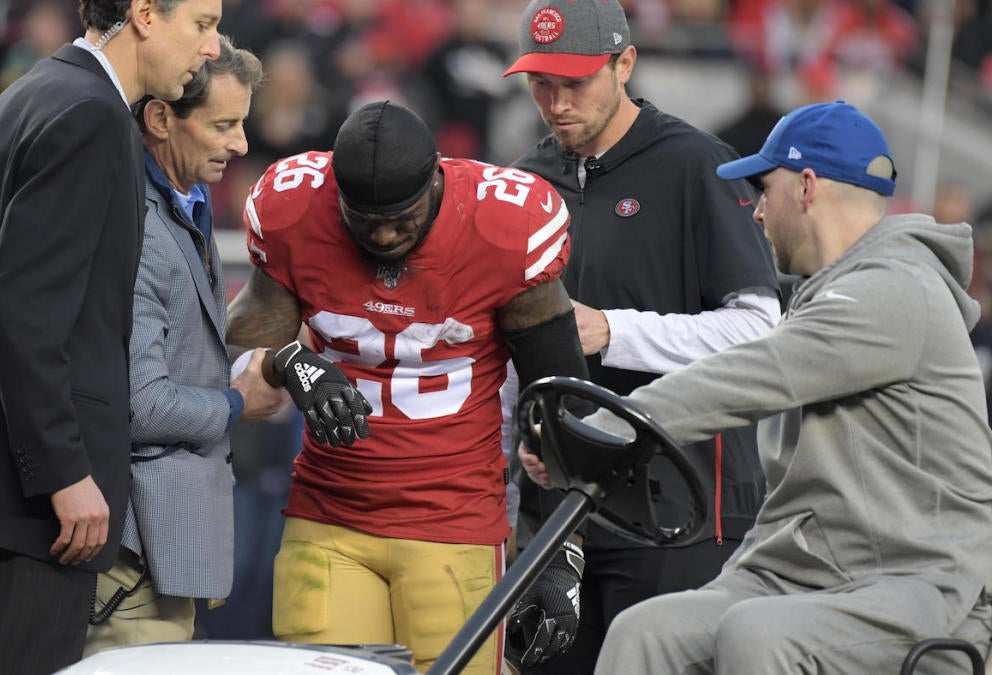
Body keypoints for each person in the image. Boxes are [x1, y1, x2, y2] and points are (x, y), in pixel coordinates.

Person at [522, 100, 992, 674]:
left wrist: (589, 435)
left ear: (808, 188)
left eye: (764, 190)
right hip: (805, 574)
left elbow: (739, 379)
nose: (756, 214)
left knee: (756, 636)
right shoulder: (826, 296)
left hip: (918, 582)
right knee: (646, 631)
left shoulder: (895, 290)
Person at [0, 1, 223, 673]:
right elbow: (20, 308)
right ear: (143, 15)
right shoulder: (92, 114)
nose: (213, 47)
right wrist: (63, 471)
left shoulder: (37, 91)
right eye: (202, 22)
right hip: (27, 504)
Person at [226, 100, 590, 675]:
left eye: (402, 215)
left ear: (435, 180)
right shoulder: (294, 209)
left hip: (455, 524)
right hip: (328, 516)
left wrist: (560, 547)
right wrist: (292, 360)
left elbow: (558, 393)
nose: (386, 233)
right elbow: (233, 351)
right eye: (364, 219)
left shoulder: (506, 225)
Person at [500, 0, 781, 669]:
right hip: (557, 509)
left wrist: (611, 331)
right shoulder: (522, 181)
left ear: (625, 63)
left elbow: (761, 330)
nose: (556, 101)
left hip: (681, 506)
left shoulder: (695, 164)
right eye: (541, 82)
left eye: (575, 81)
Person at [83, 35, 289, 655]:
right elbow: (142, 406)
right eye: (223, 124)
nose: (241, 144)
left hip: (161, 552)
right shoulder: (140, 223)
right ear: (161, 118)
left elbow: (178, 345)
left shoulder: (182, 200)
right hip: (135, 550)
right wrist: (236, 403)